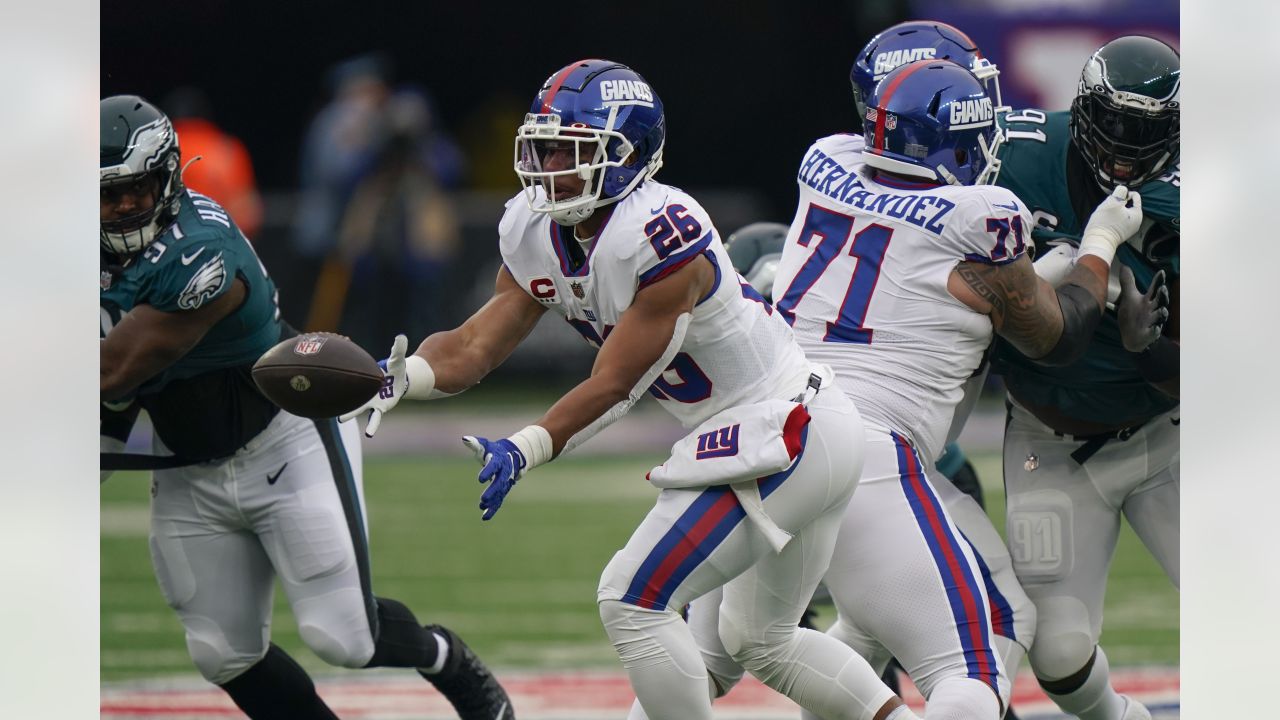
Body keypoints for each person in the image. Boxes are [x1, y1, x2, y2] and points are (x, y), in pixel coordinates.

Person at [341, 59, 917, 720]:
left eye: (569, 149)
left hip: (782, 429)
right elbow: (475, 345)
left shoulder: (660, 232)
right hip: (790, 430)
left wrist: (526, 447)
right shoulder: (535, 227)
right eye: (545, 145)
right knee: (763, 641)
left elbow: (616, 383)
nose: (548, 164)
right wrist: (401, 377)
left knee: (632, 597)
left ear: (627, 155)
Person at [711, 54, 1149, 719]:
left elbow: (919, 274)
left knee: (738, 640)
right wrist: (1096, 248)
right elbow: (1055, 337)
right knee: (981, 648)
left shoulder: (824, 161)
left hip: (767, 437)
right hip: (864, 450)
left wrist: (1039, 270)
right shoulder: (982, 213)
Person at [99, 95, 514, 720]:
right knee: (222, 652)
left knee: (345, 638)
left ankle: (447, 660)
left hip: (285, 439)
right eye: (109, 193)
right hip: (187, 461)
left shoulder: (200, 252)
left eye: (138, 189)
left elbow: (113, 373)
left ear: (168, 177)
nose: (125, 206)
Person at [990, 36, 1180, 720]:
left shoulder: (1196, 200)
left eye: (1147, 132)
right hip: (1051, 440)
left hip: (1170, 439)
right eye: (1116, 127)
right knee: (1061, 654)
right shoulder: (1014, 159)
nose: (1127, 151)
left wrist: (1148, 349)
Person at [163, 86, 265, 239]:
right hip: (223, 243)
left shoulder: (160, 151)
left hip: (172, 246)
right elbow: (249, 216)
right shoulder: (227, 147)